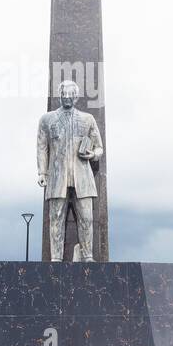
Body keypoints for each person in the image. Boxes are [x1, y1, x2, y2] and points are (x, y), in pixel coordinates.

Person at [36, 79, 104, 261]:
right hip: (58, 179)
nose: (66, 98)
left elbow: (99, 147)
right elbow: (42, 147)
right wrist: (42, 173)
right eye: (63, 95)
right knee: (56, 219)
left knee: (87, 219)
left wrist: (93, 155)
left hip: (82, 178)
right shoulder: (46, 120)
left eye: (70, 95)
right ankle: (56, 259)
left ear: (75, 97)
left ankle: (88, 256)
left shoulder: (87, 119)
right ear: (59, 96)